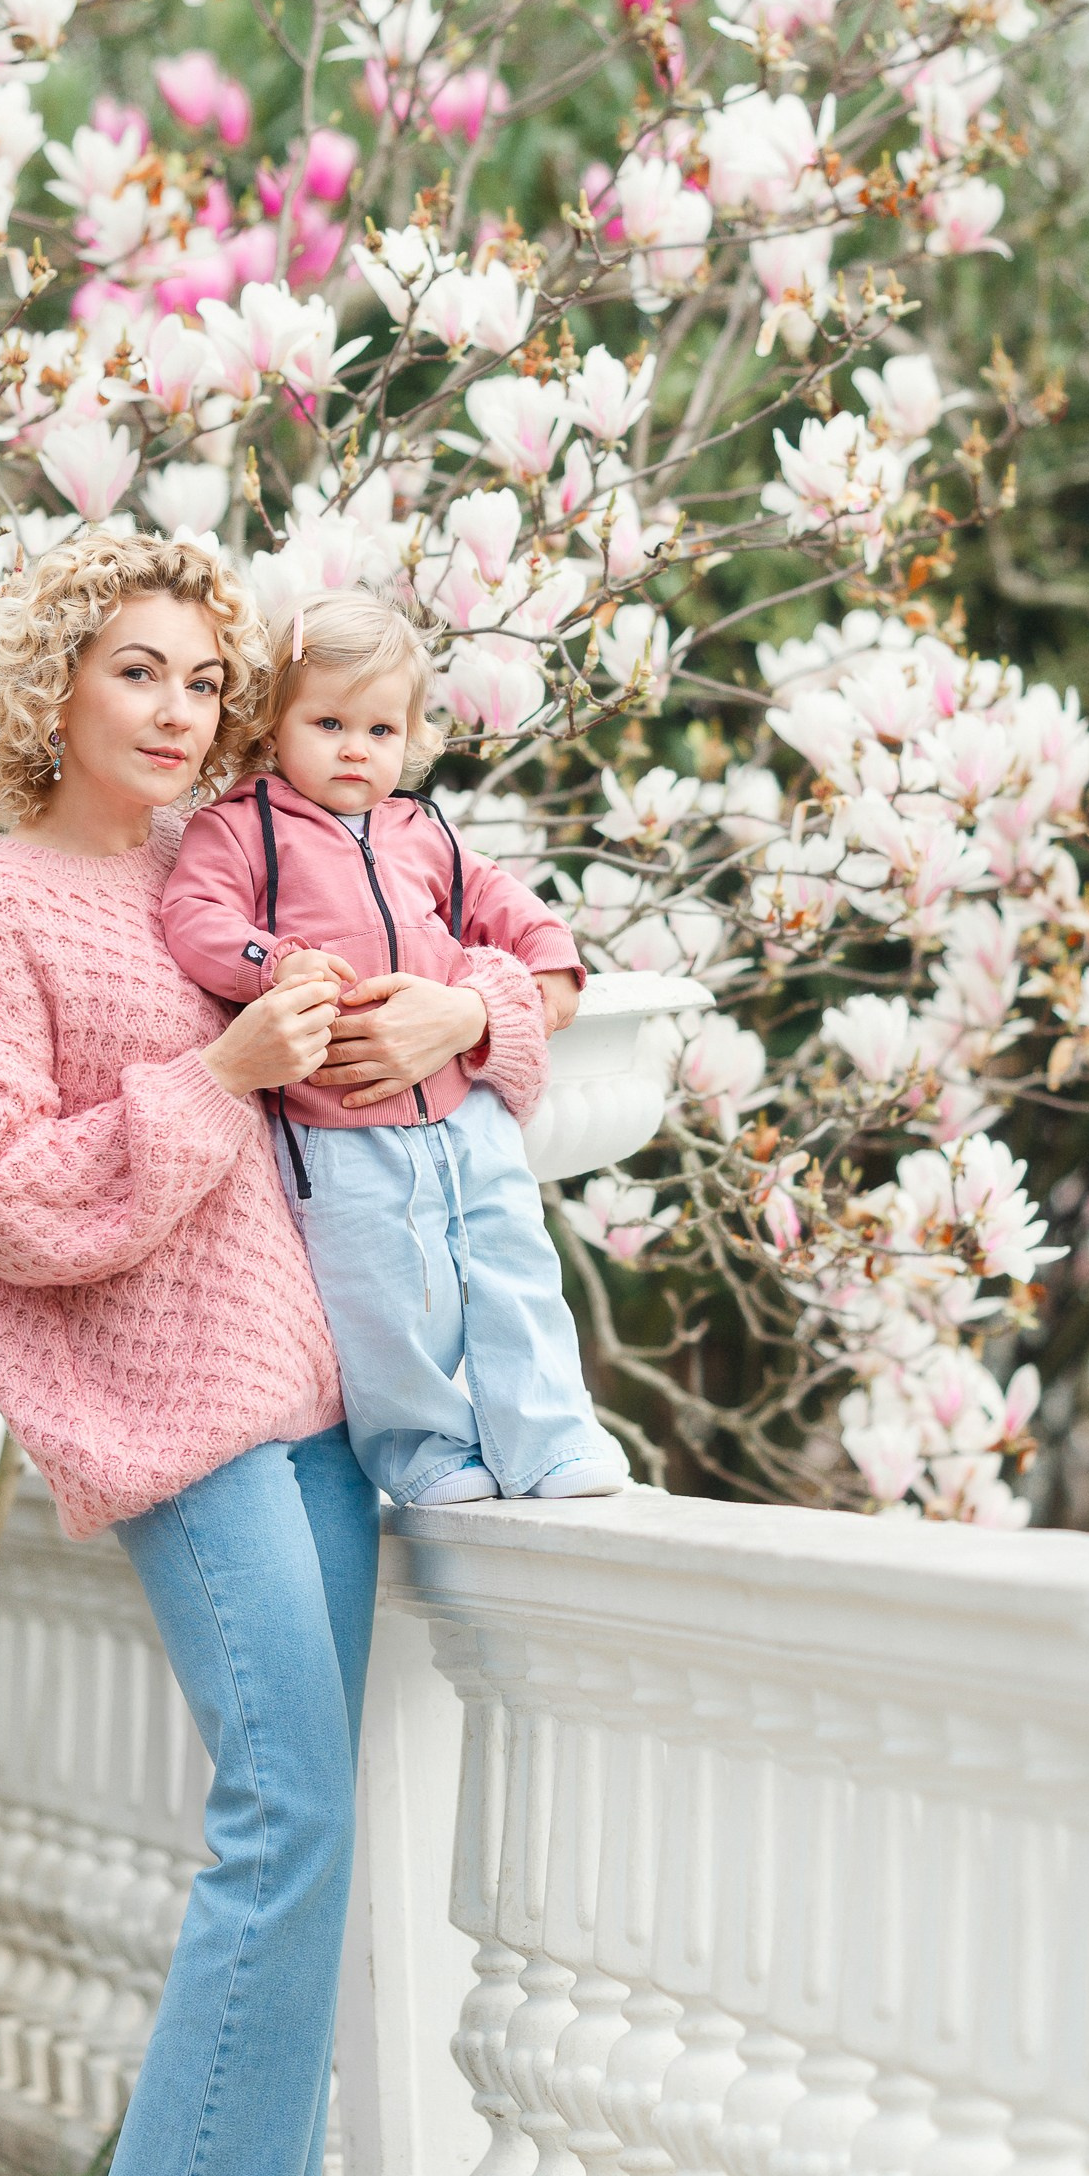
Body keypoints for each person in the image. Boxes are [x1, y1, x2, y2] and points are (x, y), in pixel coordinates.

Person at [0, 530, 525, 2176]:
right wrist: (222, 1077)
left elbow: (455, 970)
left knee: (313, 1851)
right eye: (135, 675)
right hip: (180, 1419)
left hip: (323, 1401)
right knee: (288, 1819)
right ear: (53, 695)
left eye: (199, 680)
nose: (178, 713)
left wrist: (480, 1015)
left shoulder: (216, 867)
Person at [160, 590, 628, 1508]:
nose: (353, 749)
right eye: (327, 722)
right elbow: (194, 917)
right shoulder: (242, 827)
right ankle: (425, 1451)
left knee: (512, 1266)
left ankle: (549, 1436)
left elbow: (511, 910)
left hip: (466, 1105)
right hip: (337, 1127)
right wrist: (274, 961)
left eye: (379, 729)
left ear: (408, 735)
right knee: (388, 1296)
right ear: (274, 723)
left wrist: (551, 963)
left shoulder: (425, 831)